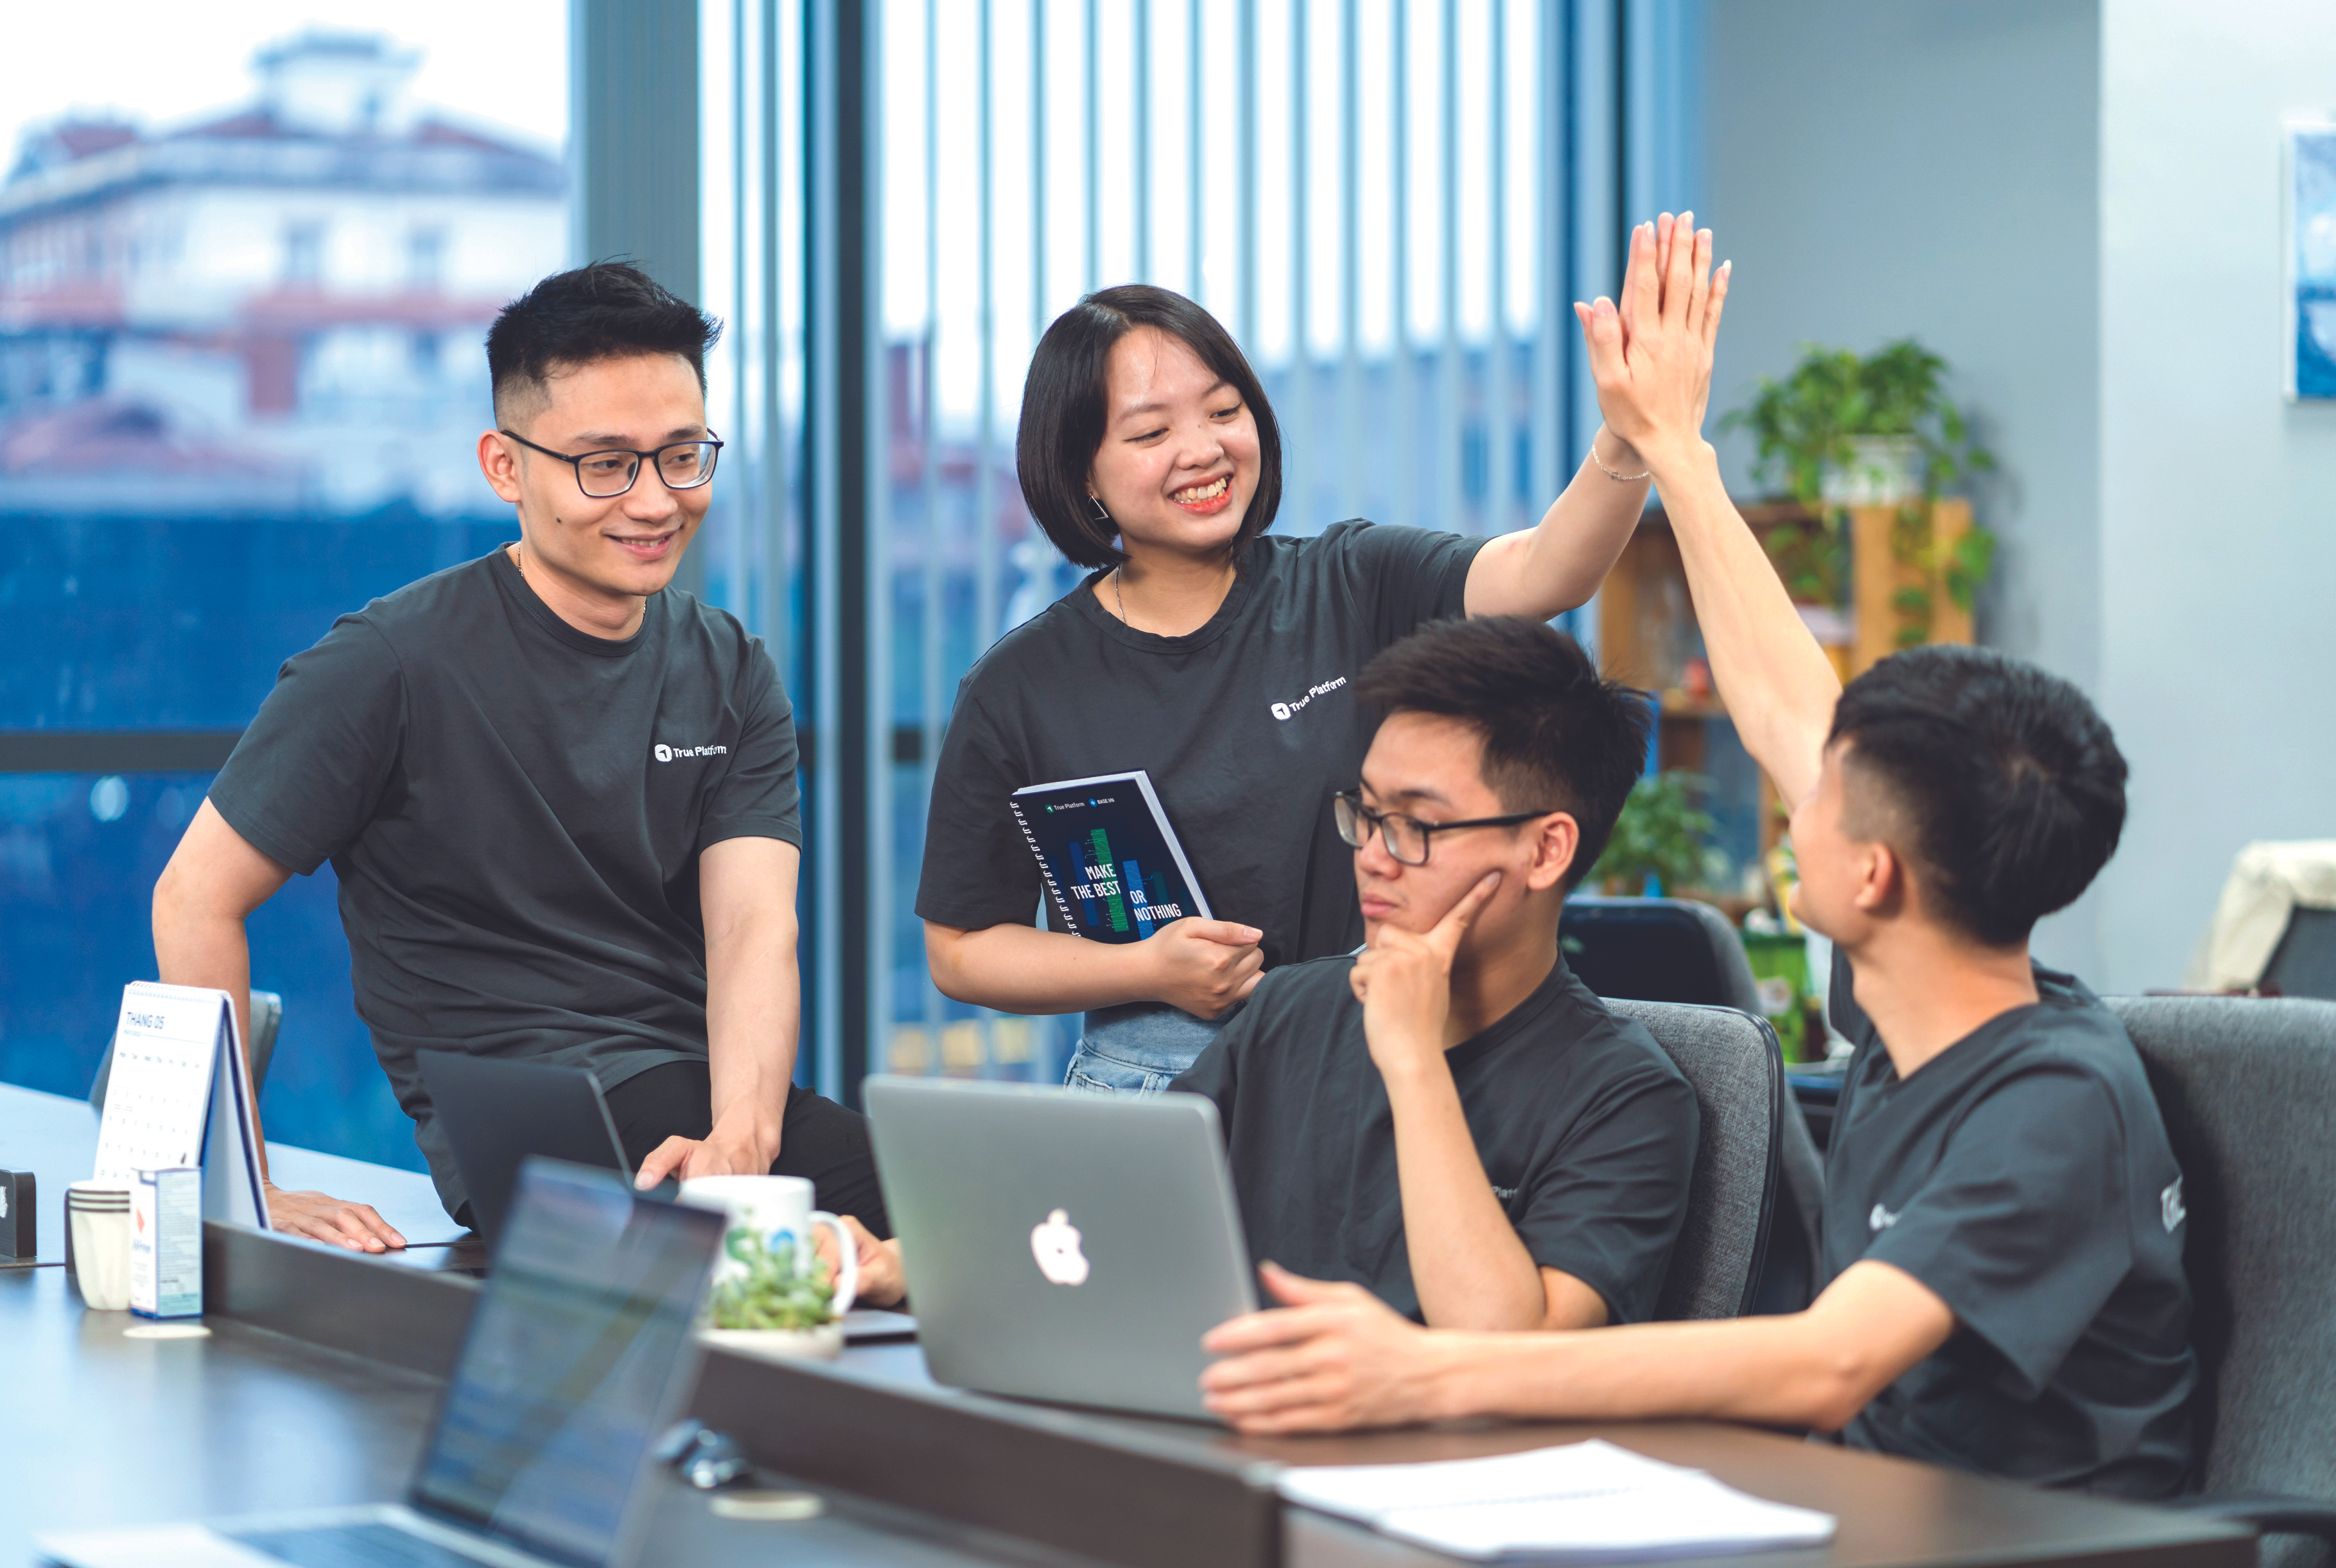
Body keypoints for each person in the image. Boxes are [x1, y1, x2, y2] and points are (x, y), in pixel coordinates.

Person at [1194, 215, 2197, 1500]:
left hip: (2032, 1537)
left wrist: (1429, 1373)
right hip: (1873, 1508)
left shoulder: (2050, 1103)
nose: (1790, 801)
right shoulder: (1917, 987)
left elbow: (1826, 1364)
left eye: (1817, 802)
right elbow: (1785, 704)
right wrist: (1671, 449)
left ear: (1874, 876)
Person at [150, 261, 887, 1250]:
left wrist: (741, 1142)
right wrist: (243, 1181)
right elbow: (194, 896)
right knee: (733, 1263)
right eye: (605, 464)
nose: (654, 500)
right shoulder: (389, 662)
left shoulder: (731, 668)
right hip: (522, 1120)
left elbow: (753, 927)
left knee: (966, 1226)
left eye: (681, 456)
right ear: (505, 468)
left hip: (700, 1098)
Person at [915, 267, 1693, 1092]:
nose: (1203, 450)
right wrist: (1147, 969)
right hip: (1150, 1078)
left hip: (1367, 1052)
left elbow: (1545, 573)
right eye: (1151, 433)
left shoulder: (1351, 580)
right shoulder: (1021, 686)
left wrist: (1627, 438)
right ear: (1082, 474)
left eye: (1224, 411)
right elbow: (962, 949)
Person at [844, 616, 1700, 1332]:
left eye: (1416, 826)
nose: (1373, 856)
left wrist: (1410, 1059)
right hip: (1225, 1427)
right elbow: (1110, 1203)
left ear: (1546, 849)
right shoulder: (1291, 1009)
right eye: (1365, 813)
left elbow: (1500, 1354)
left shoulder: (1624, 1097)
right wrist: (907, 1260)